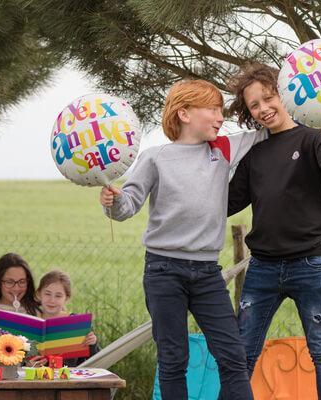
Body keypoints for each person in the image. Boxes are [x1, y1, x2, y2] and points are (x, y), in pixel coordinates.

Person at [99, 79, 263, 400]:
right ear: (185, 114)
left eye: (221, 110)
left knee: (232, 356)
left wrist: (318, 129)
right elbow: (127, 205)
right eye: (212, 109)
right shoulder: (154, 158)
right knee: (174, 360)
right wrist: (113, 201)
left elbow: (272, 130)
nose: (220, 117)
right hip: (163, 272)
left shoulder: (223, 149)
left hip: (207, 274)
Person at [226, 64, 321, 400]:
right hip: (263, 269)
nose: (263, 109)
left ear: (284, 95)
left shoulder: (313, 137)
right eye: (254, 105)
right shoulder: (255, 152)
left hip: (309, 266)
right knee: (241, 355)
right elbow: (228, 202)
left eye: (268, 98)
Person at [26, 270, 100, 367]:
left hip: (69, 379)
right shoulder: (30, 323)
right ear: (39, 294)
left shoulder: (77, 323)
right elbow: (18, 359)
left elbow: (97, 360)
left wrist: (92, 344)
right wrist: (27, 365)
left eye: (58, 296)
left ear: (66, 298)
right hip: (38, 379)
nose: (52, 300)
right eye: (47, 294)